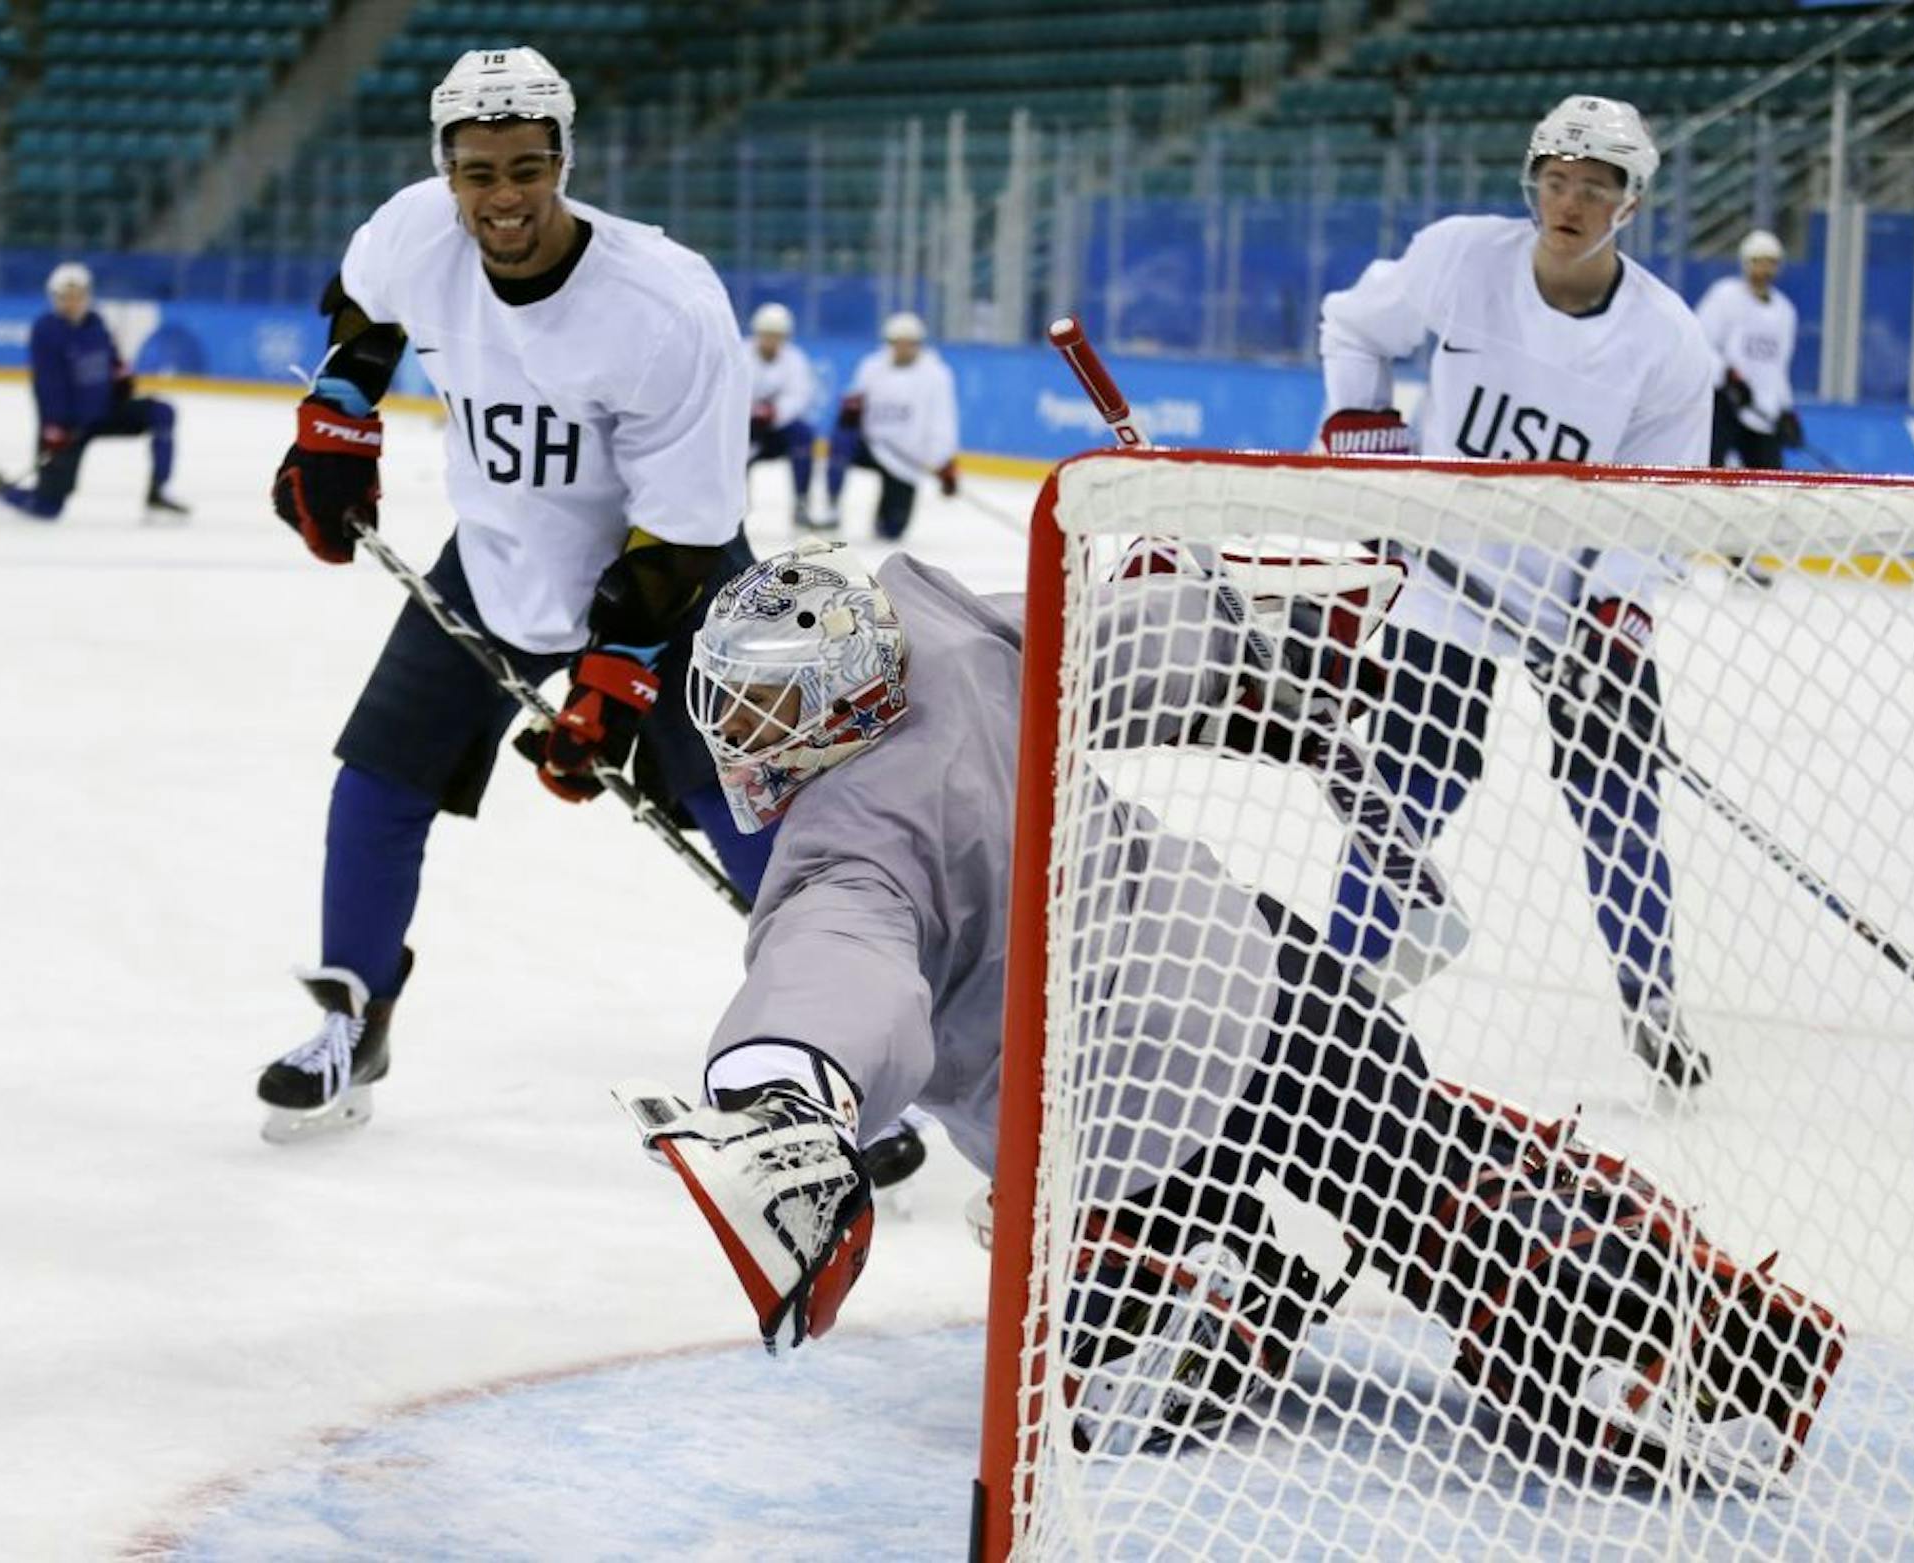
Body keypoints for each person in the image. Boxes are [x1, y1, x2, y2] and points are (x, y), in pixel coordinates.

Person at [614, 539, 1844, 1486]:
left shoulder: (850, 841)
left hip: (1125, 1116)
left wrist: (786, 1093)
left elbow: (840, 975)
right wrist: (1275, 640)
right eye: (730, 710)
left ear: (838, 696)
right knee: (1448, 1187)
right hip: (1263, 967)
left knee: (1102, 1360)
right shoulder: (931, 631)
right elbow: (1107, 637)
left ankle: (1228, 1276)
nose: (740, 738)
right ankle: (1716, 1342)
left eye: (768, 712)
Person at [256, 46, 767, 1143]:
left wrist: (617, 674)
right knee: (377, 784)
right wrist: (339, 412)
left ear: (562, 161)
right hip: (493, 558)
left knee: (752, 815)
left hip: (667, 579)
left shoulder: (662, 304)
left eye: (528, 169)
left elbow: (685, 531)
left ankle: (841, 1056)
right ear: (447, 170)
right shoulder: (412, 233)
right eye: (480, 172)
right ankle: (356, 1012)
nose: (504, 197)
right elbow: (363, 307)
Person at [1316, 94, 1718, 1090]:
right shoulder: (1461, 258)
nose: (1570, 199)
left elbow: (1663, 505)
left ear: (1632, 205)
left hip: (1575, 606)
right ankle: (1333, 996)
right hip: (1446, 588)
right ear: (1532, 180)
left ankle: (1652, 998)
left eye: (1596, 185)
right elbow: (1354, 326)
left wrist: (1615, 611)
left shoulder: (1667, 342)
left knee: (1617, 800)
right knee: (1414, 788)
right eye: (1556, 176)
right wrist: (1360, 419)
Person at [0, 262, 188, 524]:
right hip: (67, 426)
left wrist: (121, 379)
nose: (73, 303)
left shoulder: (96, 324)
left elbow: (112, 362)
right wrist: (54, 427)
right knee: (47, 507)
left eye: (79, 296)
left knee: (161, 412)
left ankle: (157, 494)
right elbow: (49, 385)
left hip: (104, 411)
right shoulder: (46, 332)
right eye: (66, 297)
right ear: (55, 299)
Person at [817, 311, 958, 539]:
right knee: (842, 438)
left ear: (918, 345)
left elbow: (942, 420)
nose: (902, 349)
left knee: (891, 531)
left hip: (906, 459)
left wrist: (943, 461)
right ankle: (832, 505)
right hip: (872, 445)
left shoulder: (936, 375)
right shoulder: (872, 366)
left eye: (908, 344)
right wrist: (851, 411)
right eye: (896, 343)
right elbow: (855, 397)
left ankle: (887, 517)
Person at [1697, 229, 1803, 472]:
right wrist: (1727, 376)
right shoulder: (1725, 296)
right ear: (1745, 263)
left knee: (1770, 485)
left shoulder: (1785, 311)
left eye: (1770, 263)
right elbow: (1701, 342)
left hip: (1763, 411)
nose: (1764, 270)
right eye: (1757, 262)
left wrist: (1786, 409)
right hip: (1726, 402)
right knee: (1710, 472)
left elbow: (1779, 367)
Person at [745, 301, 821, 527]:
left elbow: (799, 396)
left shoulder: (795, 360)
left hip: (777, 427)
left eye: (777, 335)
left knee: (803, 435)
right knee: (729, 446)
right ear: (758, 333)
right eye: (767, 334)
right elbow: (730, 392)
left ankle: (801, 501)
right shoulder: (739, 354)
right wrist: (752, 412)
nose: (771, 340)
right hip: (745, 426)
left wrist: (774, 412)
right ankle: (735, 505)